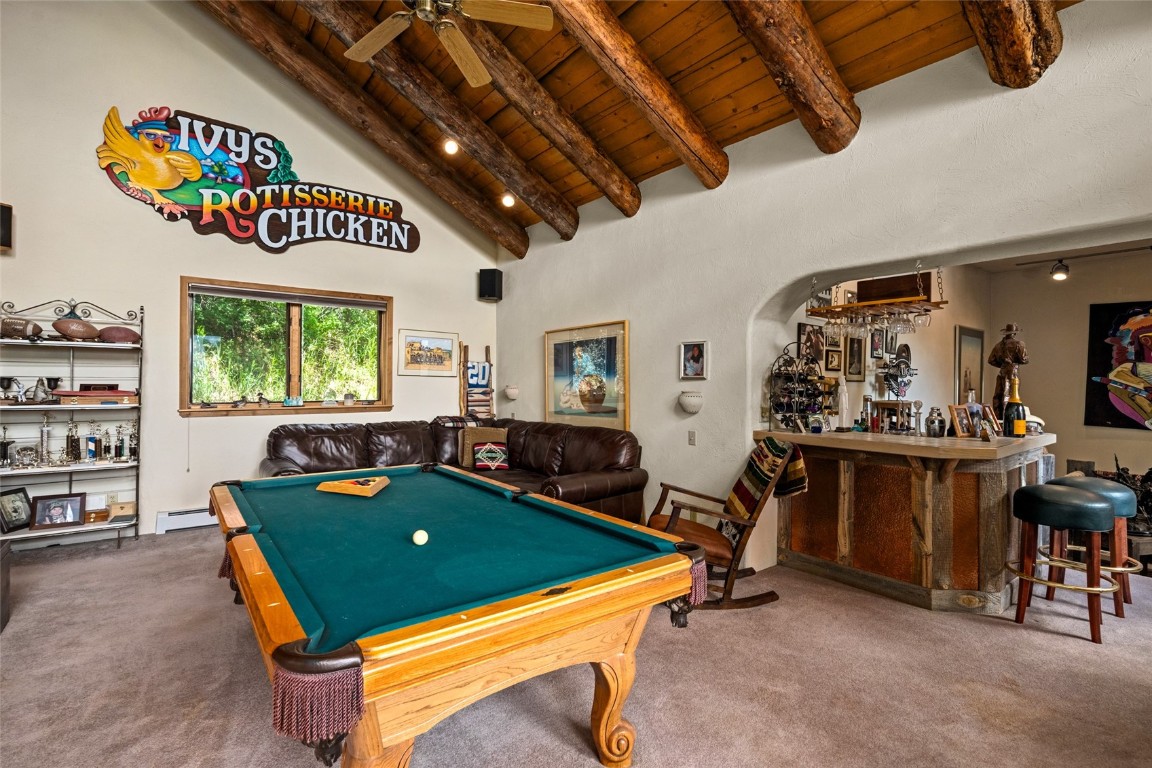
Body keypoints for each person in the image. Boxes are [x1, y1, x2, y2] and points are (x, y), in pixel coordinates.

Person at [987, 323, 1029, 418]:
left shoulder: (998, 345)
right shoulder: (1019, 344)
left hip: (1002, 372)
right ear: (1014, 333)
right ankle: (1008, 419)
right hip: (1013, 372)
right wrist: (1014, 363)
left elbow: (991, 360)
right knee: (1010, 395)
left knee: (998, 395)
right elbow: (1024, 359)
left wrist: (1003, 365)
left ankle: (998, 419)